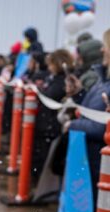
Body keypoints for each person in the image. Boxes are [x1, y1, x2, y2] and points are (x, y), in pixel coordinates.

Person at [60, 28, 110, 212]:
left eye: (106, 48)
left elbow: (103, 126)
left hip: (101, 165)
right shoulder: (101, 78)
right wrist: (76, 94)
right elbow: (91, 111)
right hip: (91, 165)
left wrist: (74, 125)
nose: (103, 52)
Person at [30, 49, 73, 183]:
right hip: (46, 124)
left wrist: (40, 91)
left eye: (51, 64)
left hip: (50, 126)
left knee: (44, 158)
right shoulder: (54, 79)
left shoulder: (61, 82)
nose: (49, 68)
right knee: (39, 155)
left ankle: (40, 184)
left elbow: (50, 96)